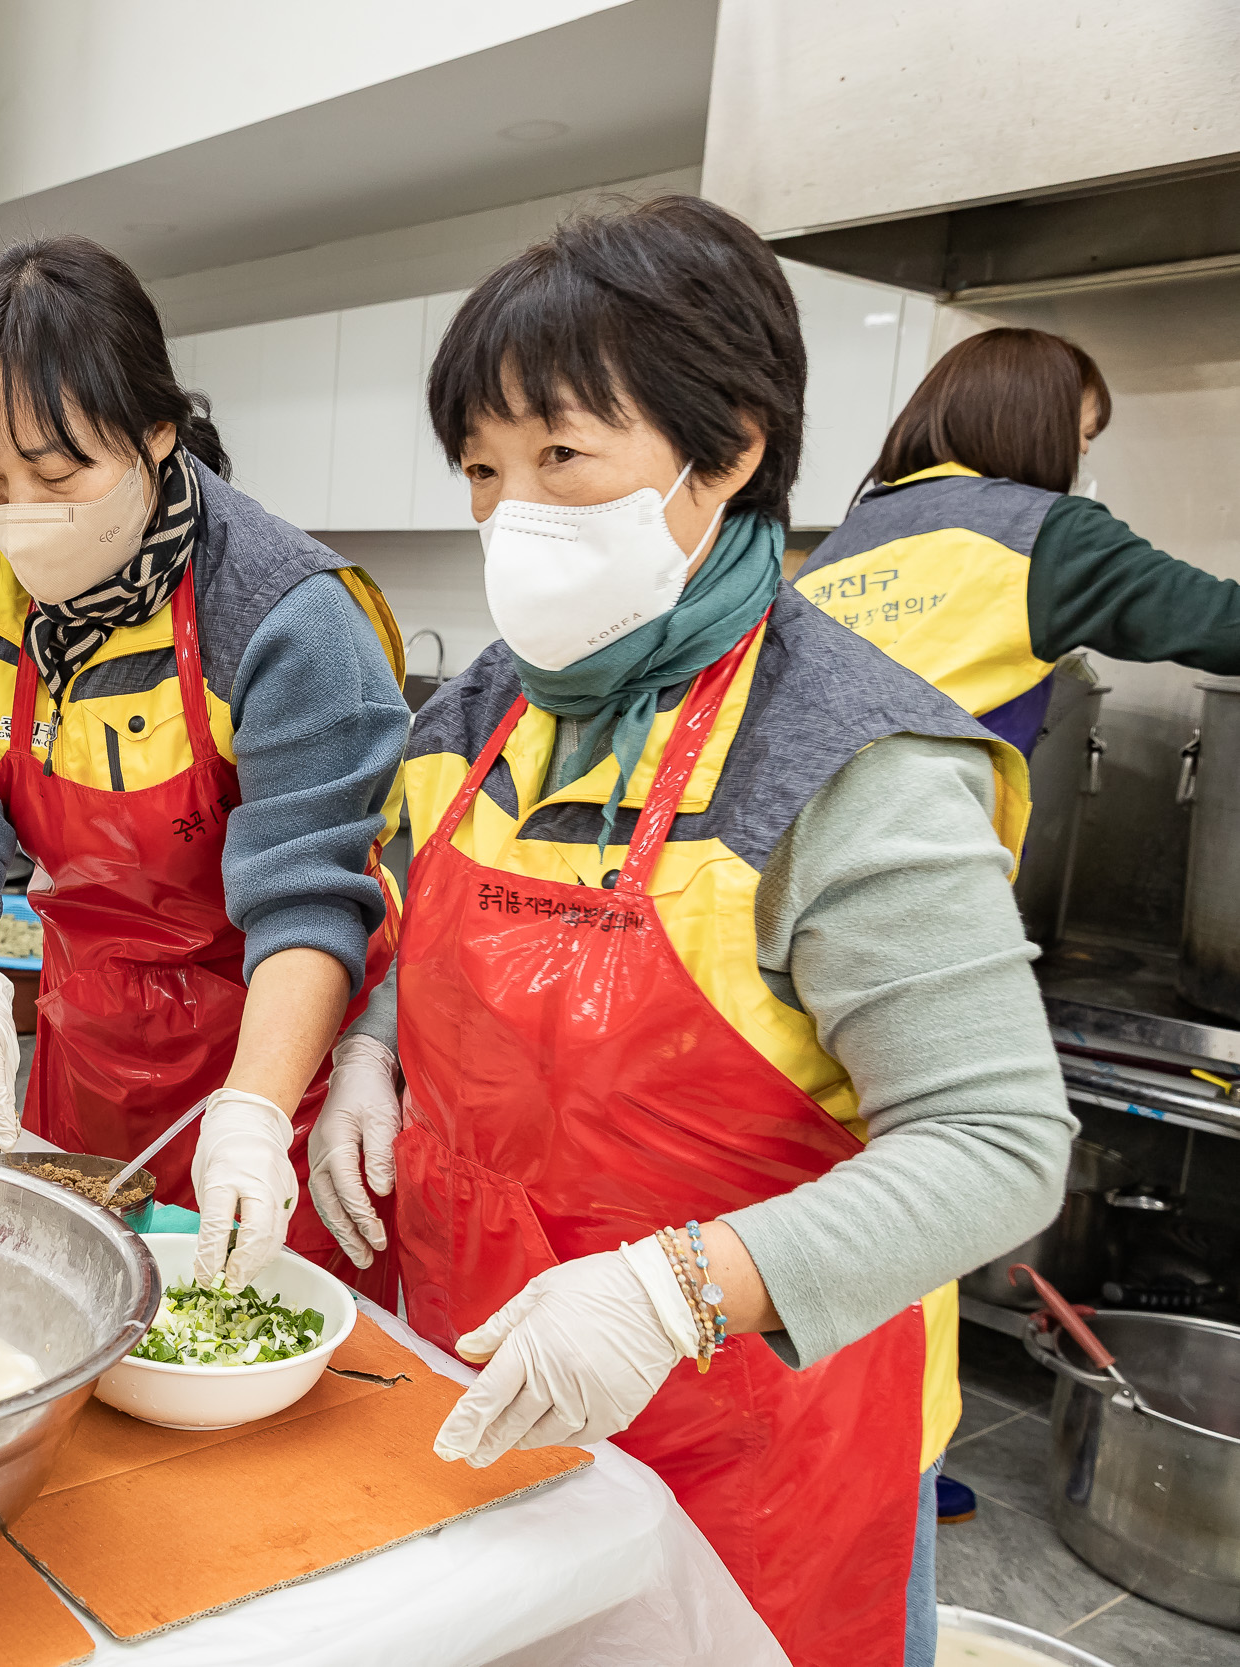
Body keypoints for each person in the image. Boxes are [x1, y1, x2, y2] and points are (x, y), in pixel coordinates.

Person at [306, 197, 1073, 1666]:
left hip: (765, 1455)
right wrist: (369, 1054)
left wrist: (674, 1287)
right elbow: (434, 948)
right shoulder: (478, 713)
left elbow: (995, 1143)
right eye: (482, 466)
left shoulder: (852, 761)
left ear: (725, 446)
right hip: (500, 1412)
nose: (510, 509)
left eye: (562, 457)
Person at [0, 235, 414, 1293]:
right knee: (71, 1318)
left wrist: (256, 1116)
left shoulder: (282, 614)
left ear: (158, 431)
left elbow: (308, 901)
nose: (20, 511)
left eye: (59, 469)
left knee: (260, 1352)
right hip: (90, 1051)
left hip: (275, 1049)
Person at [799, 326, 1240, 754]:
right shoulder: (1045, 534)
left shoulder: (850, 536)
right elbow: (1225, 627)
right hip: (925, 820)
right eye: (1083, 435)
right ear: (1035, 426)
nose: (1082, 453)